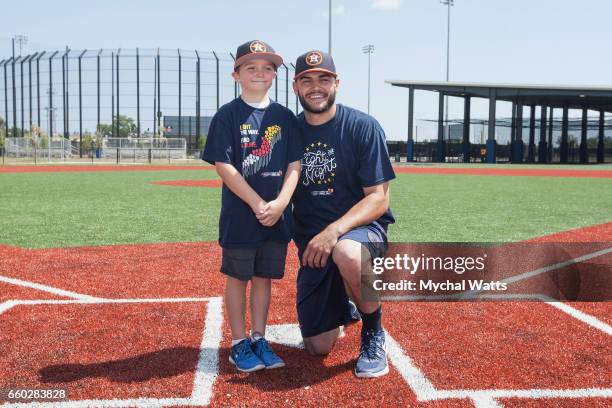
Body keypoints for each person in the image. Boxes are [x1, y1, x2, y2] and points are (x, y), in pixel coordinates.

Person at [292, 50, 395, 378]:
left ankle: (374, 331)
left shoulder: (363, 127)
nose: (316, 86)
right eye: (307, 80)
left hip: (363, 232)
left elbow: (378, 199)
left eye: (324, 79)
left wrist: (333, 231)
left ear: (337, 83)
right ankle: (347, 300)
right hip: (314, 247)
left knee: (348, 252)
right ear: (296, 86)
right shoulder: (288, 133)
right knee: (317, 346)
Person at [202, 40, 302, 372]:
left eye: (267, 67)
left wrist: (281, 202)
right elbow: (224, 165)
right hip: (241, 216)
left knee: (263, 278)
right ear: (236, 74)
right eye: (251, 67)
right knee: (238, 276)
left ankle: (259, 337)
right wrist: (258, 202)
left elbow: (294, 165)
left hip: (276, 216)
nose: (259, 73)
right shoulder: (228, 115)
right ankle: (238, 341)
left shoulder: (285, 117)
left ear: (275, 74)